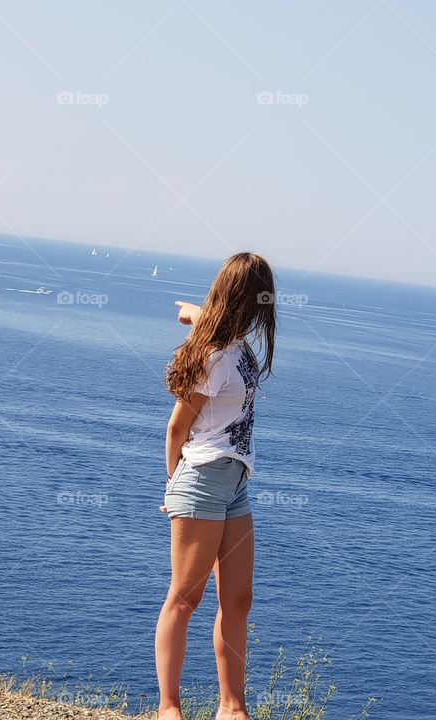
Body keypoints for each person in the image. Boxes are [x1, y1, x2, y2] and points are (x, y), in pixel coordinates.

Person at [155, 252, 277, 720]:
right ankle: (169, 708)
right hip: (201, 480)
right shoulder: (212, 356)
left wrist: (190, 310)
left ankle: (233, 708)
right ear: (245, 300)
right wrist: (173, 489)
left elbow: (200, 315)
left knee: (238, 600)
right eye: (260, 296)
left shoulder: (233, 343)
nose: (265, 307)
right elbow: (175, 429)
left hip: (235, 485)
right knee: (185, 598)